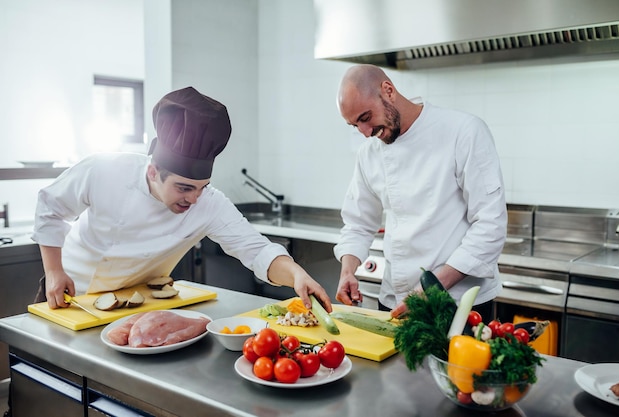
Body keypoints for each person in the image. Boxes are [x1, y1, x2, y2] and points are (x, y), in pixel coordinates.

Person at [31, 86, 332, 312]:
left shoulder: (209, 203)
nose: (195, 199)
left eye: (202, 187)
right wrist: (54, 271)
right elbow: (50, 206)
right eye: (184, 187)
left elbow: (256, 249)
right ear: (152, 171)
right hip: (68, 293)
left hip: (137, 303)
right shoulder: (104, 170)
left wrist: (296, 276)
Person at [333, 64, 507, 320]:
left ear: (388, 90)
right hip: (395, 300)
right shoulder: (369, 154)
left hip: (458, 302)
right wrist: (348, 270)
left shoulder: (464, 131)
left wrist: (431, 287)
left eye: (366, 118)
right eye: (354, 125)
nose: (366, 133)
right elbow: (358, 224)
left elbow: (490, 224)